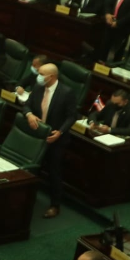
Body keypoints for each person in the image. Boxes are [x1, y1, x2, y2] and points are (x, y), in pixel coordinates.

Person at [25, 62, 76, 218]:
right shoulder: (38, 87)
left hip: (56, 139)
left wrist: (60, 132)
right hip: (38, 137)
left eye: (41, 74)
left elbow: (72, 116)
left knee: (54, 172)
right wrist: (29, 115)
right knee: (34, 169)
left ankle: (55, 205)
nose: (38, 77)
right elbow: (26, 105)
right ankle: (28, 199)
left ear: (51, 76)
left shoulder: (66, 92)